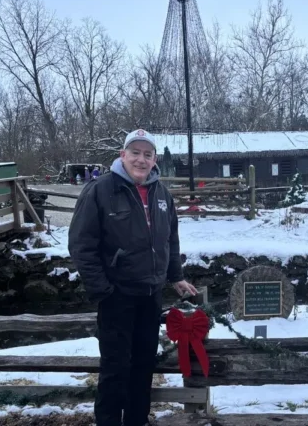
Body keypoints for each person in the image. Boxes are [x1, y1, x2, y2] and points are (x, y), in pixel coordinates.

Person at [68, 129, 197, 426]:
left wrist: (174, 276)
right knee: (115, 368)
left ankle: (137, 420)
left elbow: (170, 239)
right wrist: (103, 290)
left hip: (150, 294)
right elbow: (81, 245)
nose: (141, 159)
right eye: (135, 153)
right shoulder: (100, 190)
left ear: (154, 160)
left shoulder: (161, 194)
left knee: (143, 365)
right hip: (117, 295)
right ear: (122, 155)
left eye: (147, 154)